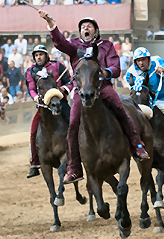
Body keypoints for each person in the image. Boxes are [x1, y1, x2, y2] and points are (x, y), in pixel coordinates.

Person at [39, 11, 150, 184]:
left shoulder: (106, 45)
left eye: (89, 26)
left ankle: (137, 146)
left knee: (121, 110)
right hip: (81, 91)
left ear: (95, 30)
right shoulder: (74, 45)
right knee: (73, 124)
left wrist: (106, 72)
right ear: (80, 31)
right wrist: (51, 24)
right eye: (83, 27)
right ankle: (74, 168)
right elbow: (59, 42)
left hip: (103, 87)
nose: (86, 28)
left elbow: (116, 67)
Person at [26, 45, 72, 178]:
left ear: (46, 55)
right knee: (34, 131)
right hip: (44, 107)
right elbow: (31, 88)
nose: (38, 57)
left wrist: (64, 89)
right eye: (36, 55)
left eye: (41, 54)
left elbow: (69, 81)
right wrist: (36, 98)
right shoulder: (31, 71)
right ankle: (35, 163)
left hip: (61, 103)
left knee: (74, 124)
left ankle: (80, 154)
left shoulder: (58, 66)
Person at [126, 47, 164, 155]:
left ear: (148, 59)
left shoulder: (157, 61)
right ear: (135, 62)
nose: (141, 63)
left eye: (144, 59)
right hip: (144, 103)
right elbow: (131, 87)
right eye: (138, 60)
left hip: (163, 99)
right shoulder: (131, 72)